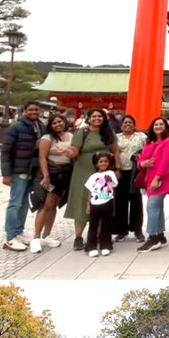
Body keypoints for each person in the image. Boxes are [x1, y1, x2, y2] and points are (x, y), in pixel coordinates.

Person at [64, 108, 121, 250]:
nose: (97, 119)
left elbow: (115, 150)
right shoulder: (82, 132)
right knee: (83, 201)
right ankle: (78, 237)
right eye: (94, 116)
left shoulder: (109, 132)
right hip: (84, 171)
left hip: (104, 171)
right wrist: (67, 153)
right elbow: (74, 151)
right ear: (88, 118)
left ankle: (101, 235)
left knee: (103, 201)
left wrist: (118, 169)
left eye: (100, 116)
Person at [0, 100, 43, 251]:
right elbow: (6, 151)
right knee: (15, 202)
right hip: (18, 170)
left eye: (36, 110)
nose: (34, 112)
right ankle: (10, 237)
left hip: (32, 170)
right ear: (24, 111)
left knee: (25, 203)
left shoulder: (40, 126)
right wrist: (6, 174)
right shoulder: (16, 127)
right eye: (30, 110)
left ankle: (19, 231)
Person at [30, 113, 74, 253]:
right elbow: (42, 158)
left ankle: (47, 235)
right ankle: (36, 237)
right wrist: (46, 175)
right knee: (45, 205)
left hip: (65, 173)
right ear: (50, 125)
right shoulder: (47, 138)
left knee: (54, 205)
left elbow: (73, 153)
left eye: (59, 122)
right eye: (54, 123)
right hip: (51, 173)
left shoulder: (70, 136)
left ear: (64, 122)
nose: (57, 125)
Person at [136, 117, 169, 252]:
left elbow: (167, 162)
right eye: (156, 124)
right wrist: (142, 164)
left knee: (152, 206)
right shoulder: (149, 142)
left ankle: (152, 237)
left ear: (166, 127)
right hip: (149, 178)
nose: (158, 126)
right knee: (157, 207)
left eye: (161, 124)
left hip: (160, 179)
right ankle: (160, 236)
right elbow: (141, 159)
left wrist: (157, 178)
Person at [113, 114, 146, 243]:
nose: (127, 125)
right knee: (120, 201)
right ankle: (122, 230)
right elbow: (112, 152)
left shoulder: (141, 137)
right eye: (125, 123)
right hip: (120, 172)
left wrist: (140, 155)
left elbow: (148, 150)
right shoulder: (116, 137)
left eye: (130, 123)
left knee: (136, 201)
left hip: (135, 172)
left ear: (134, 125)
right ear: (121, 125)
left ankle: (137, 229)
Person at [84, 152, 118, 257]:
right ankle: (91, 246)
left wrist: (108, 180)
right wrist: (88, 205)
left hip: (107, 202)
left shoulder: (111, 174)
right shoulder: (93, 176)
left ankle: (106, 245)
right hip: (95, 203)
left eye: (105, 161)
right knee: (93, 225)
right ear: (97, 164)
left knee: (106, 224)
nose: (103, 163)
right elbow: (90, 191)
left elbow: (113, 185)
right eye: (101, 161)